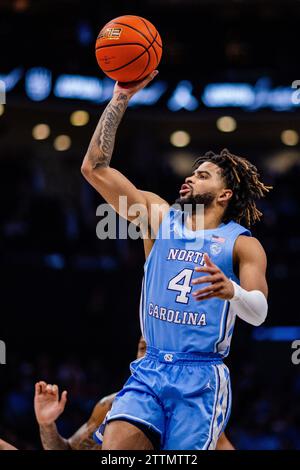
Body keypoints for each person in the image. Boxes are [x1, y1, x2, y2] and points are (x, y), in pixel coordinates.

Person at [81, 70, 271, 450]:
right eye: (191, 172)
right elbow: (94, 168)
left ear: (225, 195)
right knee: (114, 449)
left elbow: (259, 312)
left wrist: (231, 290)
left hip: (200, 377)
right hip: (150, 368)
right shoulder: (158, 217)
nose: (189, 179)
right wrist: (120, 98)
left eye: (202, 176)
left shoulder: (242, 244)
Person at [0, 338, 234, 450]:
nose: (148, 359)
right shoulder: (111, 406)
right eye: (143, 349)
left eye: (154, 352)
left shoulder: (198, 420)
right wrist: (47, 424)